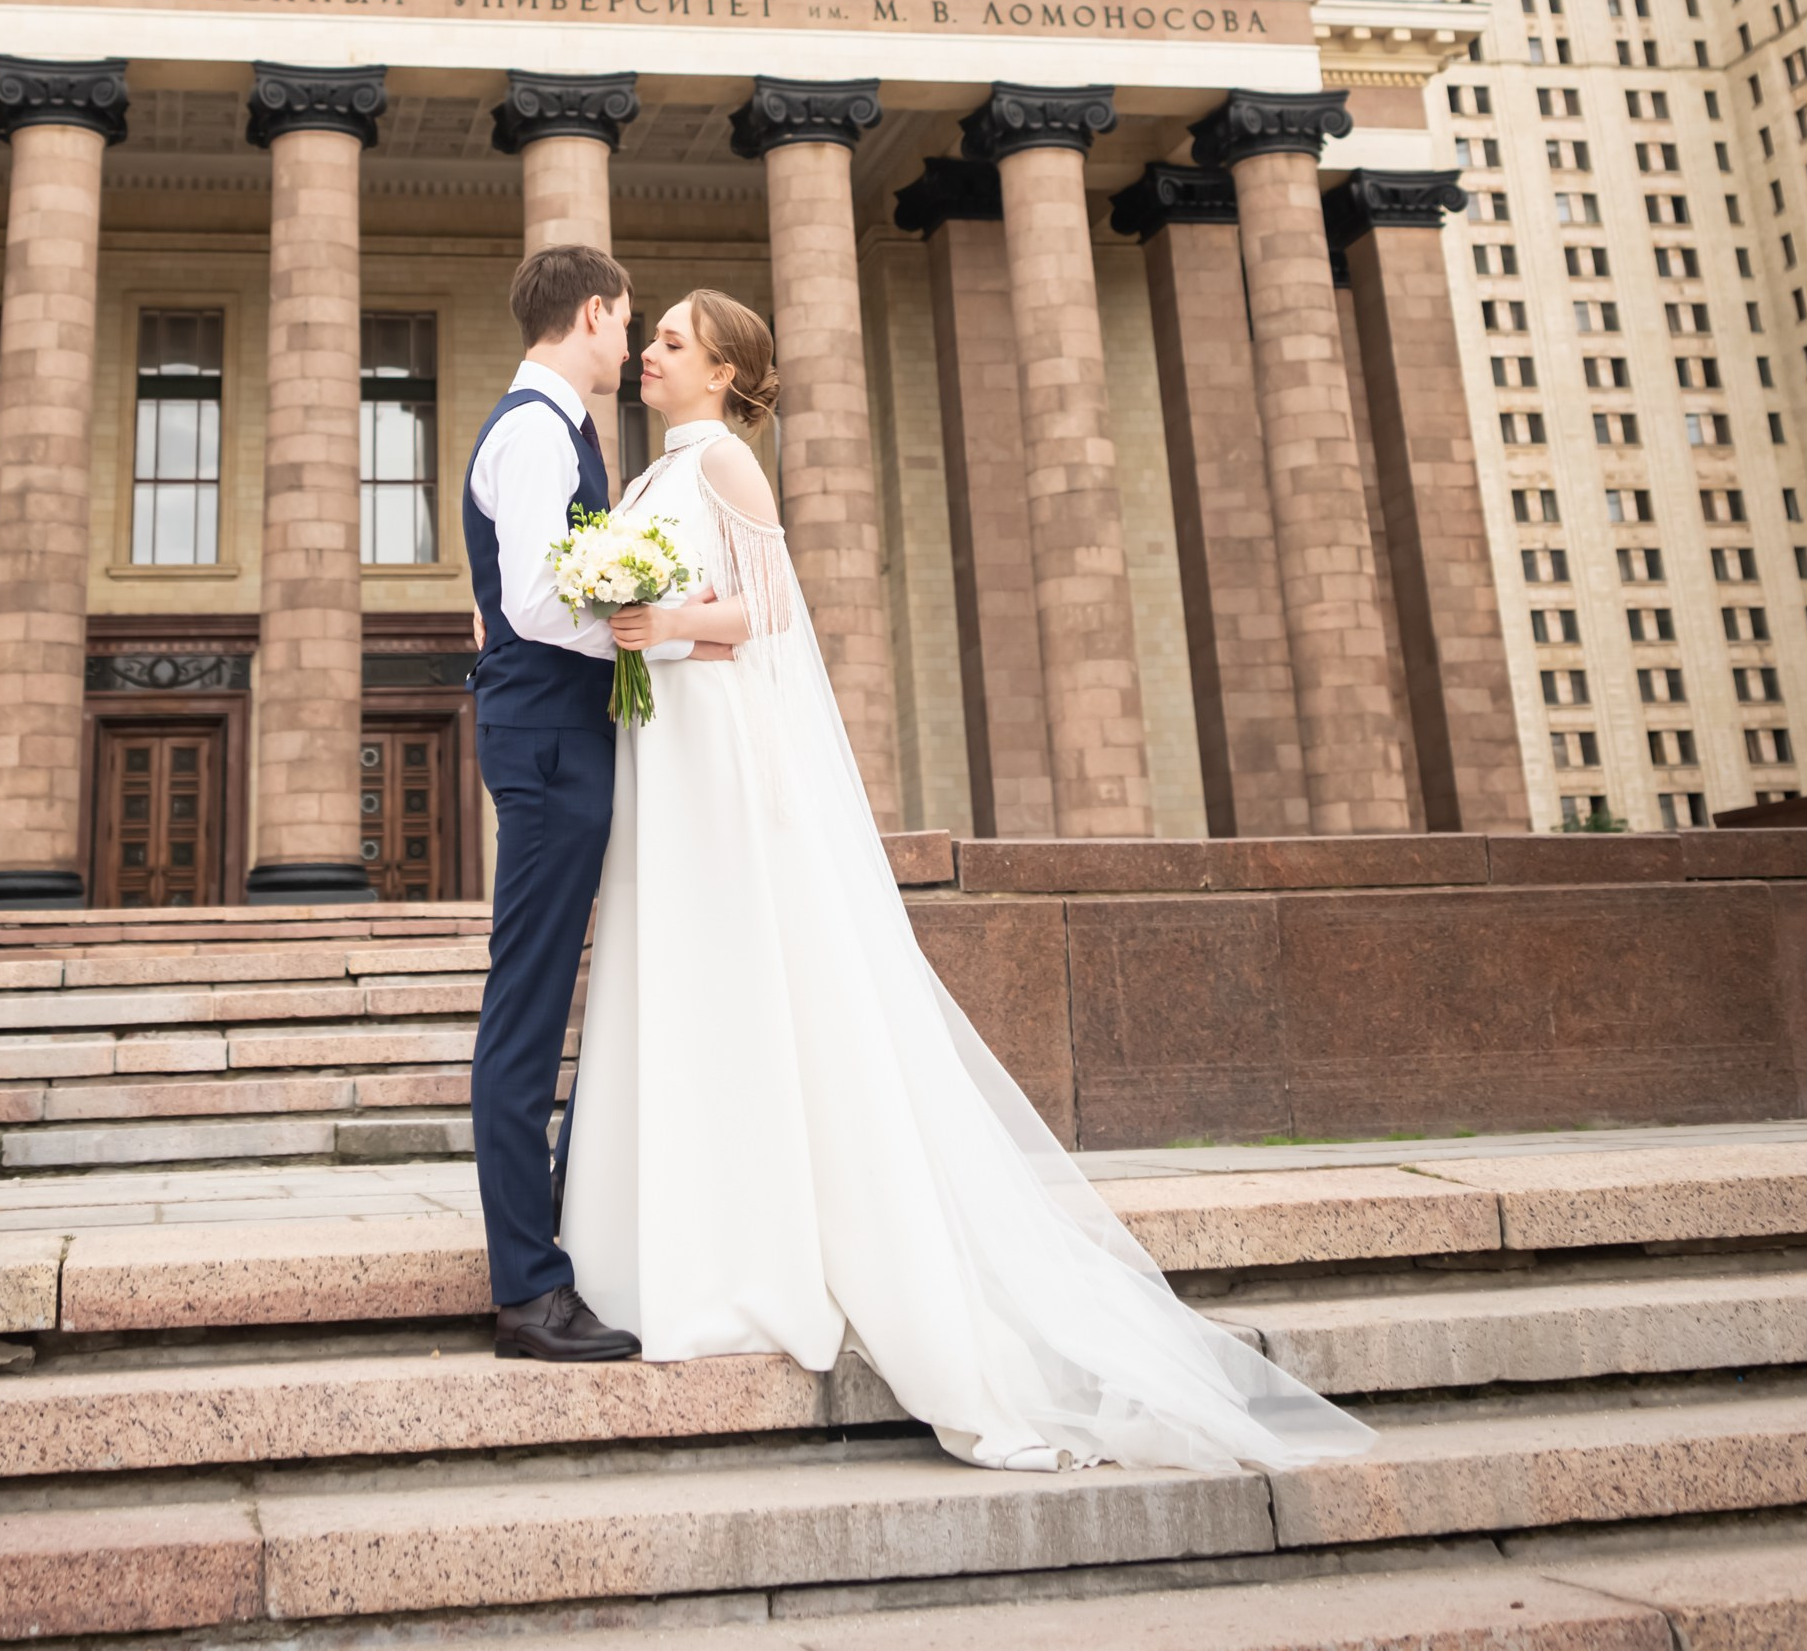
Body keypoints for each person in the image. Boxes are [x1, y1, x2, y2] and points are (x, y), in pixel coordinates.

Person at [556, 287, 1374, 1476]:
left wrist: (662, 618)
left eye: (672, 342)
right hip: (665, 755)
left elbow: (772, 616)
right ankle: (667, 1249)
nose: (649, 356)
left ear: (723, 370)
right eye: (654, 341)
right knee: (677, 986)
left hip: (717, 754)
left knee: (735, 981)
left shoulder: (728, 462)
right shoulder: (643, 482)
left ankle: (753, 1262)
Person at [462, 242, 725, 1362]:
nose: (630, 344)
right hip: (551, 743)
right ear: (590, 312)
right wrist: (655, 622)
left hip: (566, 734)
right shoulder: (532, 429)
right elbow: (528, 600)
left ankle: (557, 1248)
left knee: (545, 1002)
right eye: (625, 323)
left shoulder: (560, 426)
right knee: (525, 1010)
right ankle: (528, 1286)